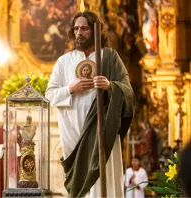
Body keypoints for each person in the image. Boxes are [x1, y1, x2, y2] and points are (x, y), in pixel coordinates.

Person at [45, 10, 135, 197]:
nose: (79, 33)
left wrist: (110, 86)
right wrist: (71, 88)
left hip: (103, 134)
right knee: (82, 183)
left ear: (95, 31)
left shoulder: (109, 57)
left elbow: (128, 91)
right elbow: (50, 95)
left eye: (85, 28)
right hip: (74, 135)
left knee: (105, 179)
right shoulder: (64, 62)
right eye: (76, 28)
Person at [0, 111, 22, 197]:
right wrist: (1, 147)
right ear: (2, 118)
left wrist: (15, 146)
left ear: (12, 118)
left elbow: (24, 145)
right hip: (2, 163)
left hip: (15, 163)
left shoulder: (18, 130)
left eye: (8, 116)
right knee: (2, 183)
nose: (6, 118)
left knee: (15, 182)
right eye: (4, 116)